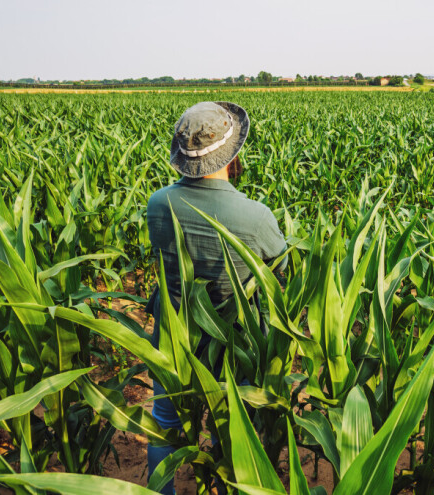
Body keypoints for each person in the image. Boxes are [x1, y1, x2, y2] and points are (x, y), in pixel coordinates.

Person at [145, 101, 287, 494]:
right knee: (233, 432)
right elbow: (280, 276)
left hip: (174, 339)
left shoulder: (157, 205)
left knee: (165, 422)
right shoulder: (256, 217)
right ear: (233, 153)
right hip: (235, 346)